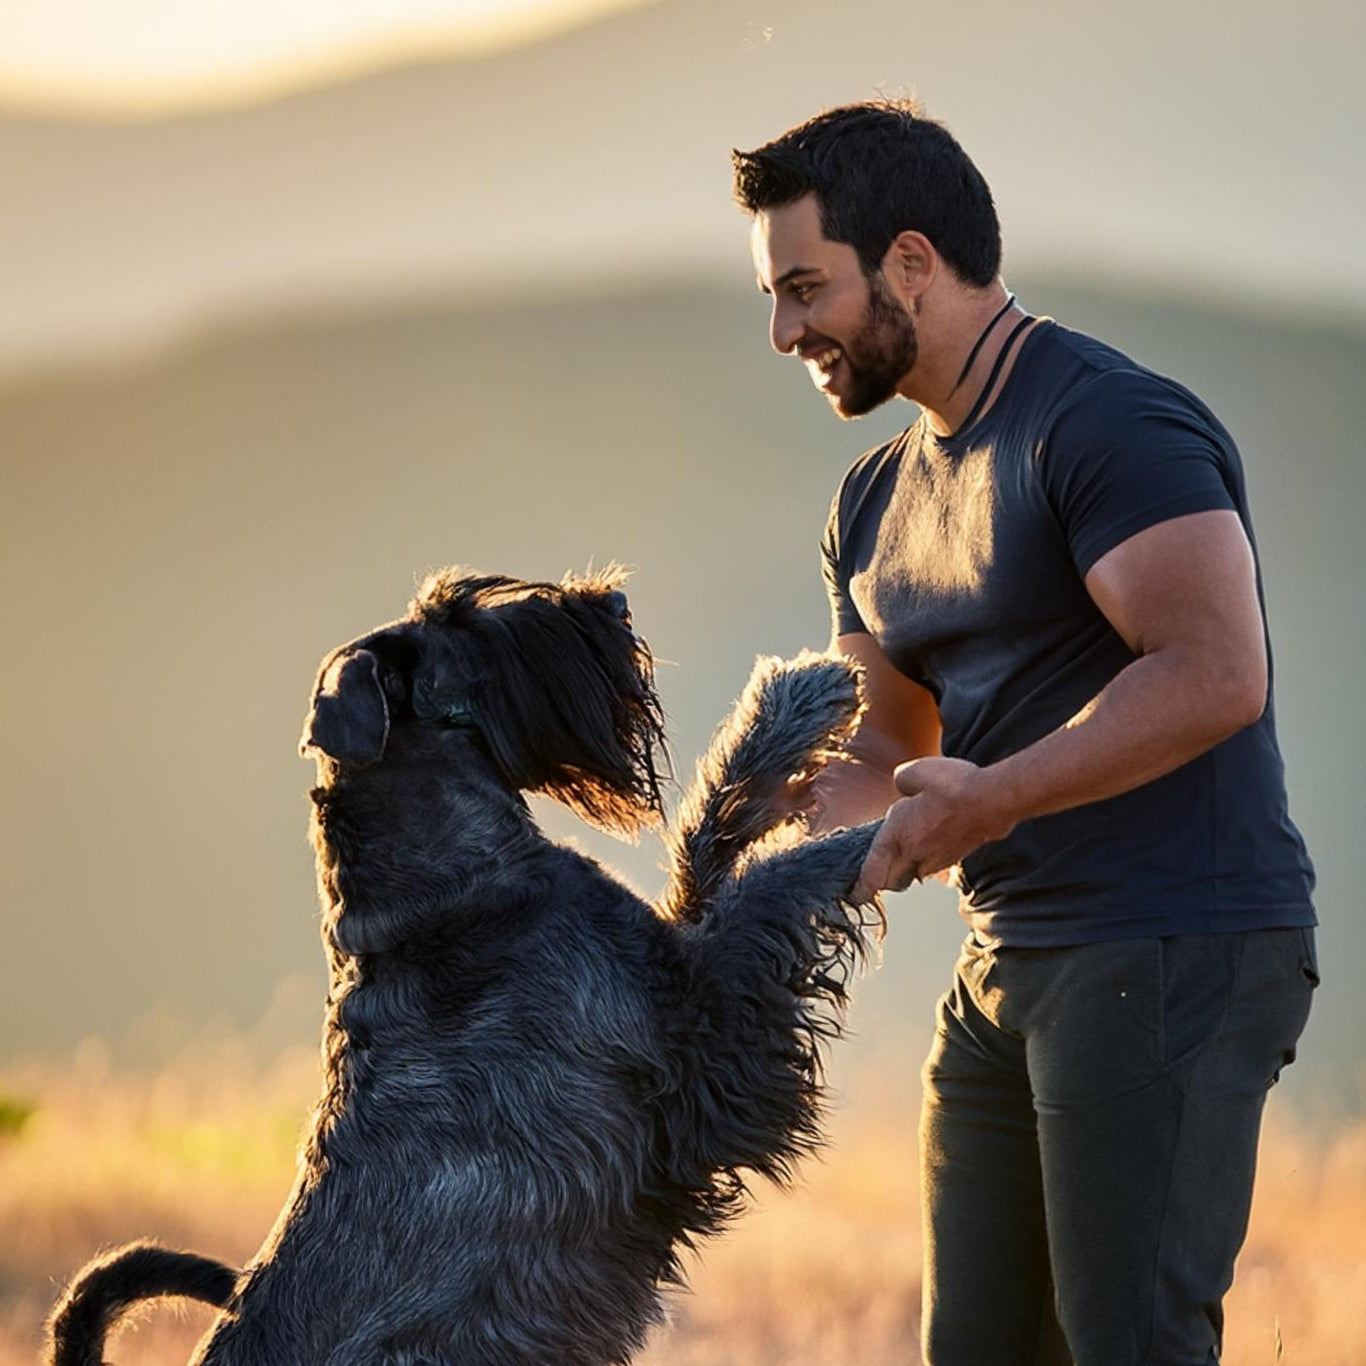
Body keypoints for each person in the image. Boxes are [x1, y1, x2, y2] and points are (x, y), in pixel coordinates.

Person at [731, 99, 1318, 1366]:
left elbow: (1219, 670)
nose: (784, 332)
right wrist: (755, 827)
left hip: (1170, 939)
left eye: (802, 288)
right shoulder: (873, 499)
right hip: (1008, 961)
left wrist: (992, 798)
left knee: (1128, 1346)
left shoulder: (1105, 422)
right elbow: (891, 757)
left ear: (909, 261)